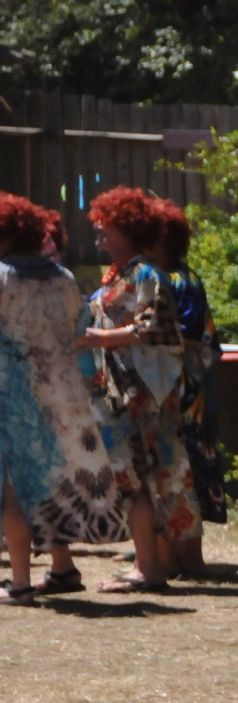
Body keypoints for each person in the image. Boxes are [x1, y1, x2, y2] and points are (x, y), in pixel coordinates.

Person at [0, 196, 127, 604]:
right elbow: (78, 327)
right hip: (62, 392)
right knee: (51, 478)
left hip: (12, 390)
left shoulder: (2, 277)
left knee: (12, 487)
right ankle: (62, 567)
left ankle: (19, 583)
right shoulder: (65, 277)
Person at [82, 186, 195, 593]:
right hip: (120, 391)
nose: (98, 235)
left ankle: (149, 568)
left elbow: (158, 327)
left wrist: (98, 337)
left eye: (105, 228)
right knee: (133, 477)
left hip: (140, 393)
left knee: (137, 476)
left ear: (129, 230)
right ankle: (149, 563)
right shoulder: (122, 273)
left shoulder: (146, 273)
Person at [150, 200, 225, 576]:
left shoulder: (179, 281)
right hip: (179, 384)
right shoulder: (169, 276)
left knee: (183, 466)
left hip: (181, 388)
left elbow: (186, 339)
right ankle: (175, 553)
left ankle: (186, 555)